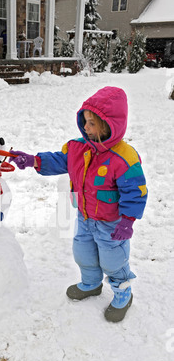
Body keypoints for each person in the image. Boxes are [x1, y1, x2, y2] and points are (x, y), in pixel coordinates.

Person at [9, 86, 148, 323]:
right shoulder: (77, 148)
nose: (85, 127)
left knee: (113, 260)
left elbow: (136, 191)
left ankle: (123, 292)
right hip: (85, 217)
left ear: (108, 124)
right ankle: (91, 284)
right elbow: (58, 160)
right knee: (83, 253)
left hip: (111, 223)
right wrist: (33, 160)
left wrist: (128, 220)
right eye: (84, 121)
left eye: (92, 123)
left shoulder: (124, 157)